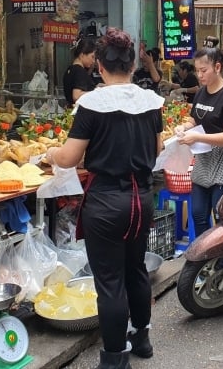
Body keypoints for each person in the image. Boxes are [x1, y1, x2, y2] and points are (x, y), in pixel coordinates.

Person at [45, 28, 164, 369]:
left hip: (107, 202)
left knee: (110, 281)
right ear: (131, 65)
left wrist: (52, 153)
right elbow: (156, 150)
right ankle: (142, 339)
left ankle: (115, 358)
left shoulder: (91, 104)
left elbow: (68, 158)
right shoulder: (150, 101)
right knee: (136, 270)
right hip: (141, 199)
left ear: (99, 65)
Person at [174, 47, 223, 237]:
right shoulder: (201, 93)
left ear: (218, 67)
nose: (199, 75)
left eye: (203, 70)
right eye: (197, 70)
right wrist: (184, 127)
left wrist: (197, 137)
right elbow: (194, 119)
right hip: (204, 160)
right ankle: (205, 256)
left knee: (221, 215)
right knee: (198, 213)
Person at [62, 38, 97, 106]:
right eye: (92, 57)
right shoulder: (80, 71)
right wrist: (96, 92)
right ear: (82, 55)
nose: (93, 61)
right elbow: (76, 96)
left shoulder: (70, 69)